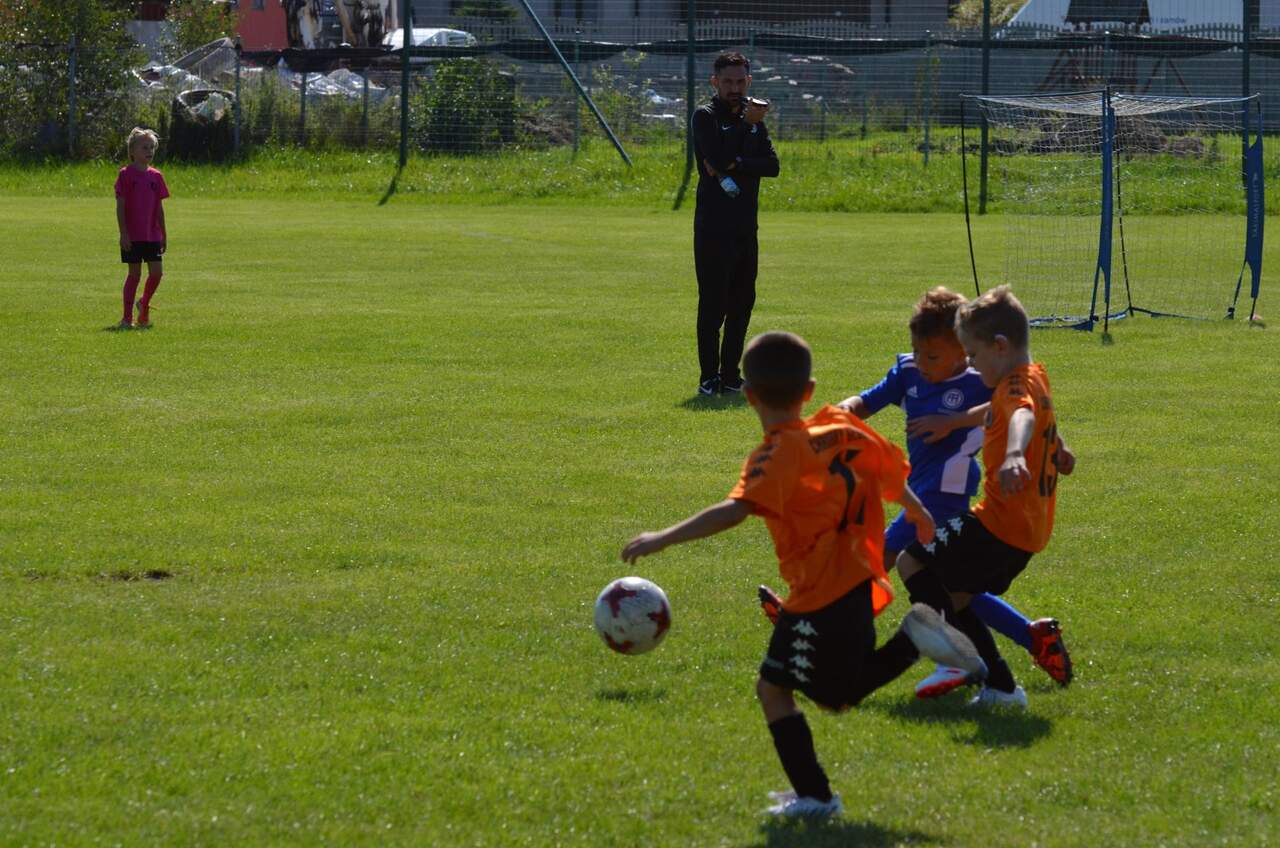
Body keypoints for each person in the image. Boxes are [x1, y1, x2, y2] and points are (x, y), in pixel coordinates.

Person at [622, 331, 987, 818]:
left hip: (817, 597)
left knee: (774, 688)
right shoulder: (842, 427)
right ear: (810, 391)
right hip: (859, 584)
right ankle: (911, 641)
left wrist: (663, 537)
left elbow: (734, 510)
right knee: (839, 695)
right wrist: (918, 513)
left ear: (749, 395)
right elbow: (890, 475)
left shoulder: (774, 455)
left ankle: (817, 796)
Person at [765, 288, 1072, 697]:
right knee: (954, 591)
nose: (924, 364)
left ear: (963, 352)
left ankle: (818, 627)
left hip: (947, 495)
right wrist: (834, 418)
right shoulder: (913, 372)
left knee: (888, 558)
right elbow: (868, 400)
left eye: (935, 356)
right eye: (918, 352)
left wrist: (983, 435)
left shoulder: (984, 378)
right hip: (924, 491)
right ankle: (1028, 637)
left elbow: (1023, 412)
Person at [896, 286, 1076, 710]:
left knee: (910, 561)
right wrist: (1058, 446)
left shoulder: (1014, 388)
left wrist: (1014, 453)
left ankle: (958, 658)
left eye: (974, 356)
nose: (973, 366)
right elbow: (1021, 411)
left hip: (996, 524)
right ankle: (1000, 688)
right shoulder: (1034, 376)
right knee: (957, 597)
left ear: (1000, 346)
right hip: (1026, 533)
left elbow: (1022, 416)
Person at [691, 52, 779, 396]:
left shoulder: (755, 120)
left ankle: (730, 376)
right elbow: (717, 157)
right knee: (713, 305)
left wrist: (737, 161)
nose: (735, 88)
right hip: (713, 228)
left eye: (740, 81)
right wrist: (744, 132)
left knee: (742, 304)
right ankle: (708, 377)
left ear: (749, 81)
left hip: (745, 228)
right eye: (727, 81)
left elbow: (772, 166)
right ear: (715, 82)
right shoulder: (706, 116)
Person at [115, 127, 169, 329]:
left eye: (151, 147)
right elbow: (120, 206)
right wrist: (124, 233)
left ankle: (143, 303)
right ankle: (127, 318)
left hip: (152, 234)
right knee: (134, 274)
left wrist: (163, 233)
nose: (149, 151)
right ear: (132, 151)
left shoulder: (156, 176)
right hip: (133, 235)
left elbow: (159, 208)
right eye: (144, 147)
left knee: (157, 273)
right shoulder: (125, 175)